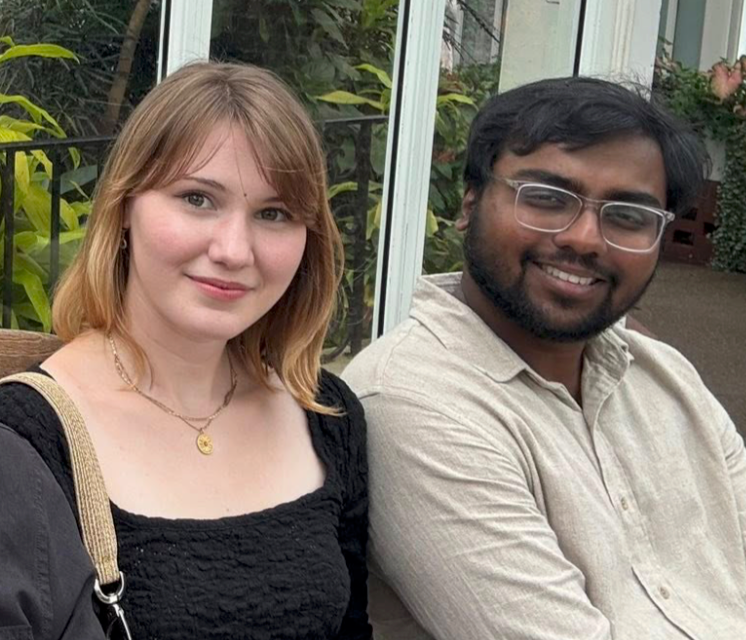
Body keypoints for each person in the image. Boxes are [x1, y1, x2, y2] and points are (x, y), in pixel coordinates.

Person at [343, 77, 746, 640]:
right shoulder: (417, 404)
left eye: (628, 216)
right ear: (469, 203)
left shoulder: (668, 379)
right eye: (547, 198)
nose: (585, 239)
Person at [0, 61, 372, 640]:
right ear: (125, 206)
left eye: (273, 213)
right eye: (197, 198)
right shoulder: (25, 441)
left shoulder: (325, 415)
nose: (233, 249)